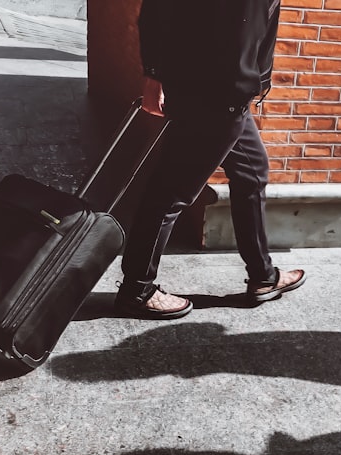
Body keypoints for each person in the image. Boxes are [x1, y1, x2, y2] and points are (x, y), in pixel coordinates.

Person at [114, 0, 306, 320]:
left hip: (234, 95)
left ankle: (263, 276)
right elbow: (158, 11)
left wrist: (257, 81)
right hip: (211, 93)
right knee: (171, 191)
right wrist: (154, 75)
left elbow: (261, 23)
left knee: (252, 173)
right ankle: (136, 289)